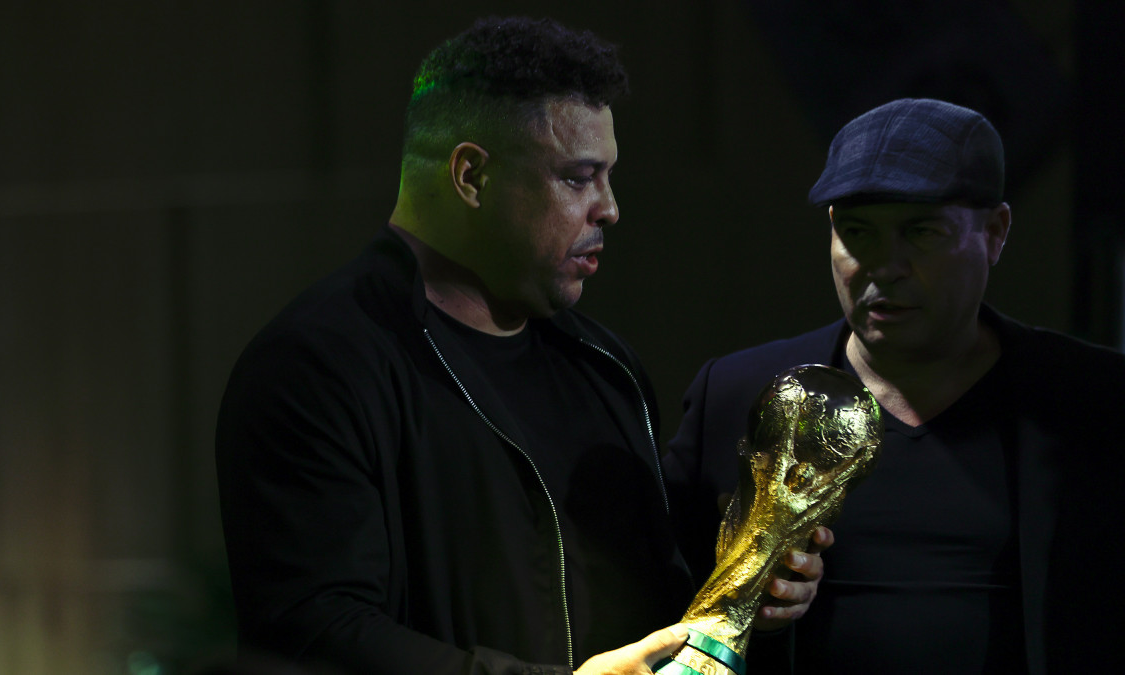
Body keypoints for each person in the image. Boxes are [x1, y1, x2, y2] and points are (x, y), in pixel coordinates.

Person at [216, 16, 822, 675]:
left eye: (608, 176)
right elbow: (313, 638)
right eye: (577, 178)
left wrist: (744, 584)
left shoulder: (606, 368)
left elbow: (657, 612)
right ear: (471, 175)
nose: (610, 208)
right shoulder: (316, 366)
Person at [665, 97, 1125, 673]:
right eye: (859, 233)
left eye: (921, 233)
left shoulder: (1096, 403)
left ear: (995, 232)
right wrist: (741, 590)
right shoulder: (739, 396)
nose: (885, 266)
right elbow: (647, 598)